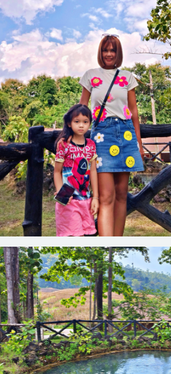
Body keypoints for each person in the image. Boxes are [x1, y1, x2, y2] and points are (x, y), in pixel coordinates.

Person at [79, 34, 145, 236]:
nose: (109, 54)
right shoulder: (90, 75)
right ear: (100, 52)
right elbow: (81, 109)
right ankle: (105, 241)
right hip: (102, 136)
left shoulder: (127, 77)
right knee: (106, 196)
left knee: (121, 195)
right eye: (106, 50)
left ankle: (117, 240)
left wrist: (139, 143)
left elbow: (133, 111)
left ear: (118, 53)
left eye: (113, 50)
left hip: (125, 134)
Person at [53, 104, 99, 237]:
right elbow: (57, 172)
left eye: (85, 122)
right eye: (76, 121)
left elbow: (93, 171)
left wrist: (95, 197)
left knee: (88, 235)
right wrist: (62, 195)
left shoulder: (91, 145)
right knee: (75, 237)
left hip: (86, 200)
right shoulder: (64, 145)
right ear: (69, 123)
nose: (81, 125)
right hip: (69, 201)